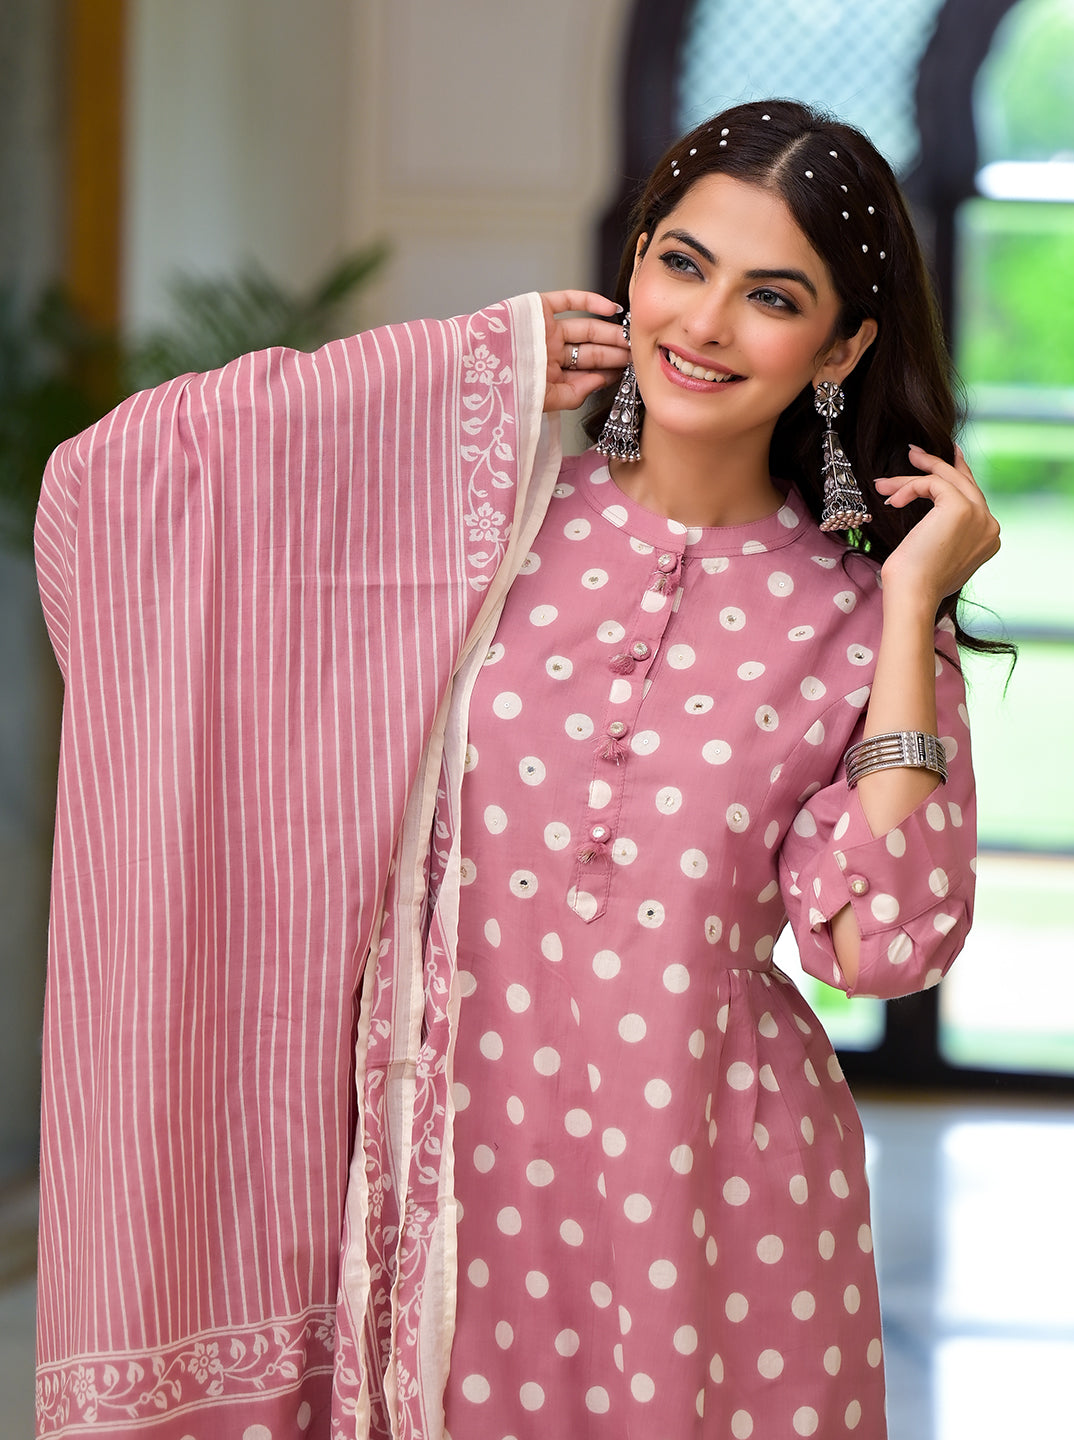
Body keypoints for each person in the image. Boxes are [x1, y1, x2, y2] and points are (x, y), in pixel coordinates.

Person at [33, 100, 1000, 1439]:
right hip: (450, 1168)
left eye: (770, 295)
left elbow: (884, 941)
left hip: (716, 1197)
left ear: (841, 345)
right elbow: (113, 484)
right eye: (681, 263)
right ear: (633, 263)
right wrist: (445, 371)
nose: (705, 325)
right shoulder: (483, 521)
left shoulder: (865, 613)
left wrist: (908, 617)